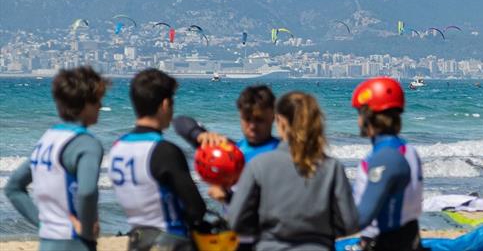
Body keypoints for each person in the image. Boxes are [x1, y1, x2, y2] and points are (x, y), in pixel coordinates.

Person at [227, 91, 358, 250]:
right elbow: (350, 223)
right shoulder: (332, 168)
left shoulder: (259, 165)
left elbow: (235, 220)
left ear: (280, 121)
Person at [5, 67, 108, 251]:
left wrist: (42, 223)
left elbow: (13, 187)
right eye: (97, 100)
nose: (100, 106)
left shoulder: (48, 139)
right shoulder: (86, 143)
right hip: (75, 244)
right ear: (85, 103)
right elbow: (87, 192)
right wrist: (86, 229)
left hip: (47, 242)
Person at [109, 68, 206, 250]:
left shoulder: (116, 148)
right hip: (170, 242)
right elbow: (196, 208)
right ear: (164, 105)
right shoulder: (164, 151)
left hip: (137, 240)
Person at [173, 85, 280, 250]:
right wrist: (200, 135)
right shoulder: (231, 151)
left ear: (273, 117)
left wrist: (228, 198)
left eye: (259, 120)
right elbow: (180, 122)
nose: (252, 126)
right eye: (247, 119)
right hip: (234, 239)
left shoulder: (282, 154)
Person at [351, 76, 424, 251]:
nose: (358, 121)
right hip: (407, 238)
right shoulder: (406, 149)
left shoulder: (385, 157)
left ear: (369, 116)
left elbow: (361, 217)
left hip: (385, 243)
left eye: (360, 113)